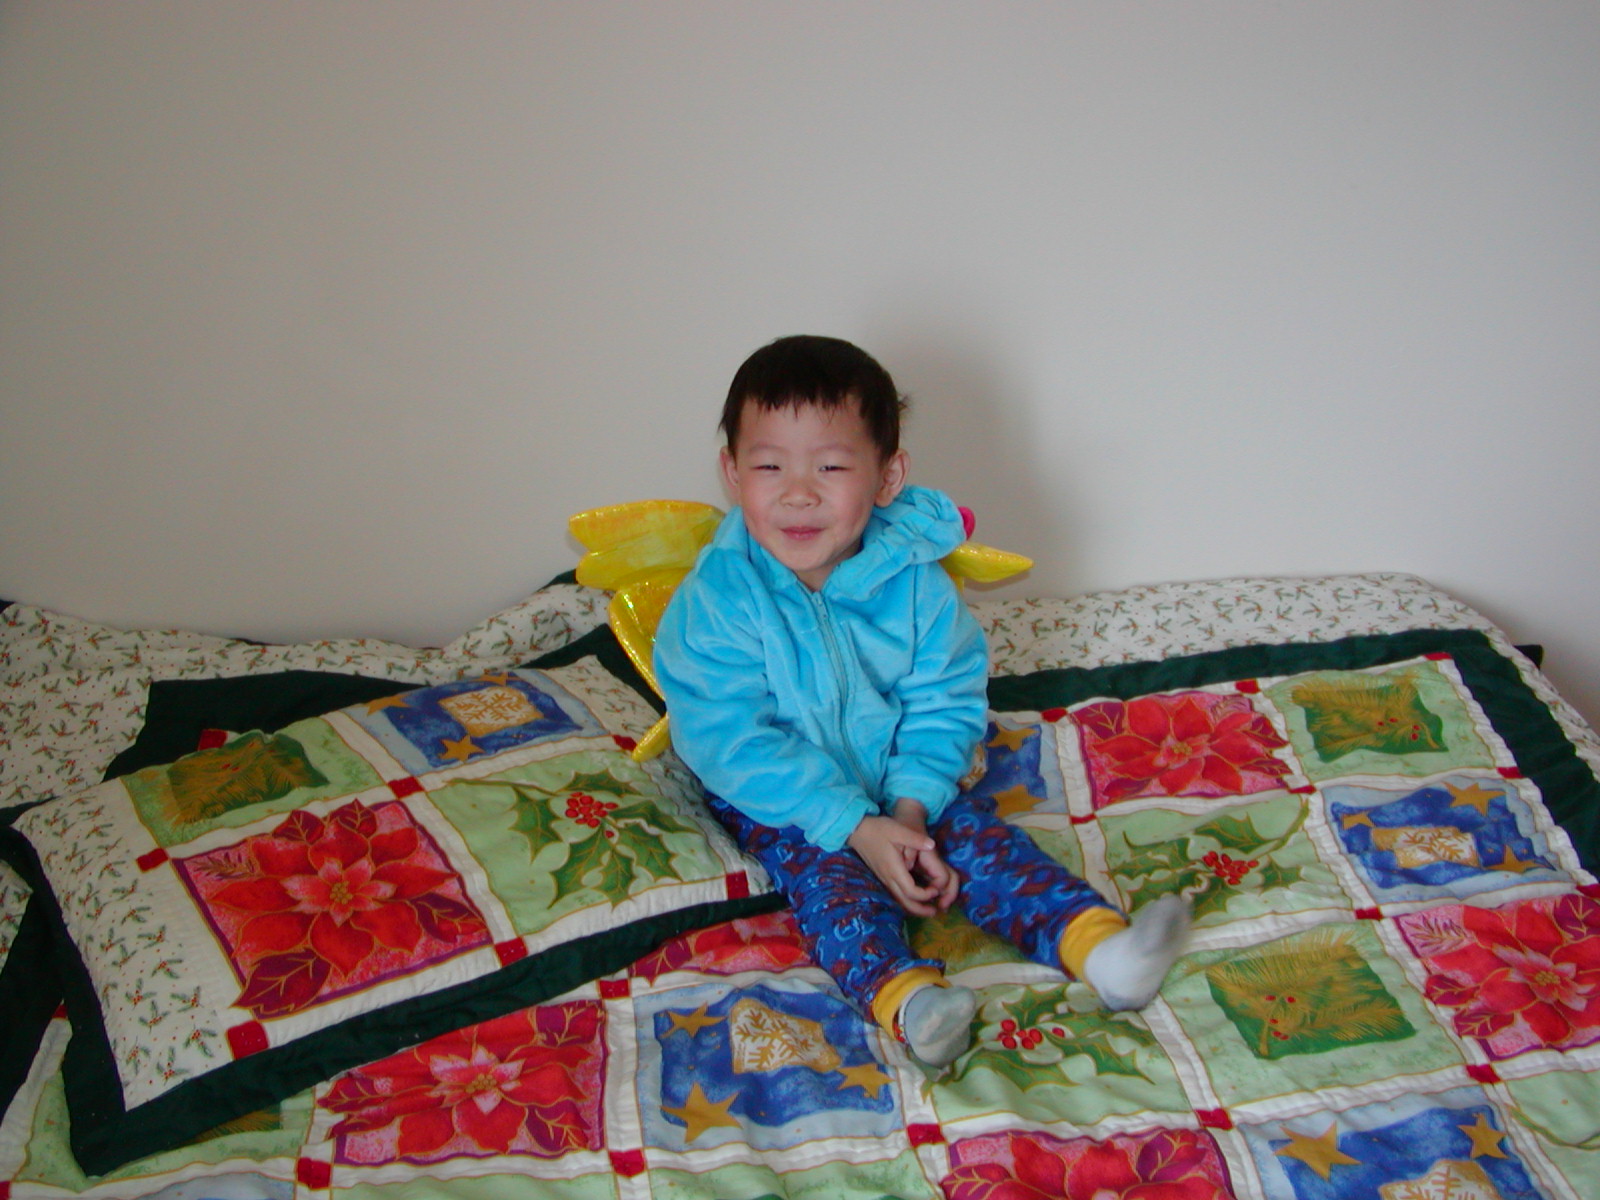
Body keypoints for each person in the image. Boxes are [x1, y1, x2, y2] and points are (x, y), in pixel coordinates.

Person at [653, 334, 1189, 1067]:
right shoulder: (716, 600)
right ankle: (911, 1002)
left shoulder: (913, 580)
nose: (798, 492)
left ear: (887, 476)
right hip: (787, 796)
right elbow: (727, 736)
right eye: (769, 466)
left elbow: (944, 697)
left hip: (901, 777)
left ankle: (1102, 950)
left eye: (831, 466)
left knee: (978, 841)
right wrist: (853, 825)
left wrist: (909, 809)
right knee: (828, 881)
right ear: (731, 473)